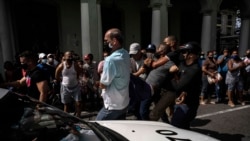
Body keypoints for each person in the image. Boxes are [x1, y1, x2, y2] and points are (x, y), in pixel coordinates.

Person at [96, 28, 131, 120]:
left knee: (97, 128)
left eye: (106, 41)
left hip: (112, 105)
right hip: (124, 103)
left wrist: (100, 81)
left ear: (114, 41)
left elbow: (103, 84)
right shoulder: (126, 54)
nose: (105, 43)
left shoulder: (110, 60)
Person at [170, 42, 202, 129]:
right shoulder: (183, 64)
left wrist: (172, 74)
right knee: (183, 128)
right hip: (181, 101)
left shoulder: (194, 69)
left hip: (188, 105)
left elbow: (178, 87)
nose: (182, 54)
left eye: (184, 52)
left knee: (176, 127)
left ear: (191, 55)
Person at [55, 51, 82, 117]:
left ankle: (78, 117)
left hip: (75, 86)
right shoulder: (61, 65)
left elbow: (79, 72)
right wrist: (61, 80)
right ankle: (66, 118)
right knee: (66, 104)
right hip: (65, 87)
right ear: (64, 57)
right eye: (68, 56)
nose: (70, 57)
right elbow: (56, 75)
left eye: (71, 56)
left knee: (78, 103)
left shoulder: (75, 65)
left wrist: (77, 78)